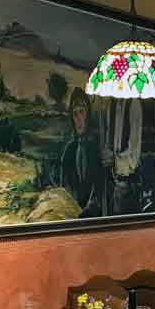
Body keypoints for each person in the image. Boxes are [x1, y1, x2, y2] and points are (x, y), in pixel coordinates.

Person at [59, 88, 105, 218]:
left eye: (82, 112)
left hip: (94, 217)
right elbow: (65, 189)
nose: (79, 119)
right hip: (73, 217)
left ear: (88, 115)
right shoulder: (69, 151)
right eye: (75, 114)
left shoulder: (98, 148)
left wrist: (87, 212)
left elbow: (99, 189)